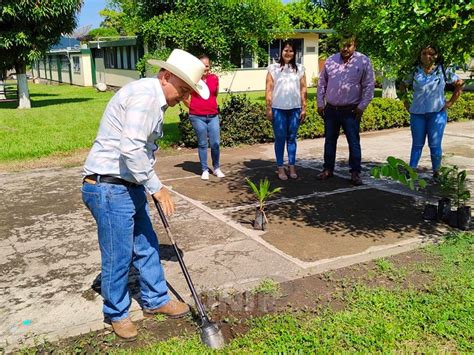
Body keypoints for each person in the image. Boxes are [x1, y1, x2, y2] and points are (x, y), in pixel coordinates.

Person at [81, 49, 210, 340]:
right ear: (166, 77)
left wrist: (147, 180)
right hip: (108, 186)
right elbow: (130, 149)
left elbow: (143, 150)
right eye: (184, 89)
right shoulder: (146, 97)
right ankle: (116, 312)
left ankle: (156, 299)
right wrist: (157, 187)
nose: (185, 98)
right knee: (119, 253)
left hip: (127, 184)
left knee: (147, 243)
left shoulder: (156, 99)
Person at [317, 34, 375, 185]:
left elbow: (369, 85)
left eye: (349, 45)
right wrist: (320, 103)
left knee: (353, 142)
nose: (345, 48)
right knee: (329, 141)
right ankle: (328, 169)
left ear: (354, 45)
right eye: (343, 45)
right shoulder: (330, 61)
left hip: (351, 111)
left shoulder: (363, 61)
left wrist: (362, 107)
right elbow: (322, 83)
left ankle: (355, 173)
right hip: (331, 110)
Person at [400, 45, 464, 178]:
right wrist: (407, 103)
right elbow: (402, 85)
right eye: (424, 53)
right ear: (419, 55)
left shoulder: (443, 71)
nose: (427, 56)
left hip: (437, 114)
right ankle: (411, 170)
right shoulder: (414, 71)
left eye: (431, 53)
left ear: (436, 55)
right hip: (417, 114)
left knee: (434, 145)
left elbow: (460, 83)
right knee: (417, 144)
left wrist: (450, 102)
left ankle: (437, 172)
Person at [265, 40, 307, 180]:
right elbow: (269, 89)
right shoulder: (273, 68)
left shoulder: (300, 69)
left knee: (292, 139)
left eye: (291, 51)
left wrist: (304, 107)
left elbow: (303, 89)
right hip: (278, 109)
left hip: (295, 109)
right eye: (285, 50)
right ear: (281, 52)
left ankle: (292, 167)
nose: (288, 53)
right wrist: (269, 108)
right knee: (280, 139)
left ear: (295, 53)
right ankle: (280, 168)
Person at [183, 54, 225, 180]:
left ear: (209, 66)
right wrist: (194, 107)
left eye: (206, 66)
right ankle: (204, 169)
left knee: (215, 143)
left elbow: (214, 94)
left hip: (213, 115)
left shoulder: (214, 78)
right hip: (197, 116)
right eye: (202, 66)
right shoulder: (192, 79)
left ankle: (216, 168)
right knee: (202, 143)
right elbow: (184, 97)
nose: (205, 68)